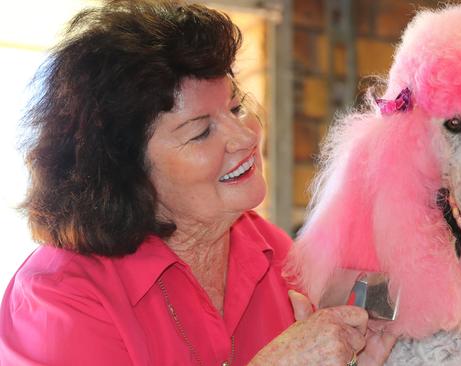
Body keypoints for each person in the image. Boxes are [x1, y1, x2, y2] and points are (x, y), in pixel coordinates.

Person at [0, 1, 396, 365]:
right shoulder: (58, 298)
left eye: (236, 108)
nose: (246, 137)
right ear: (125, 169)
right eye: (201, 131)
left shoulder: (273, 252)